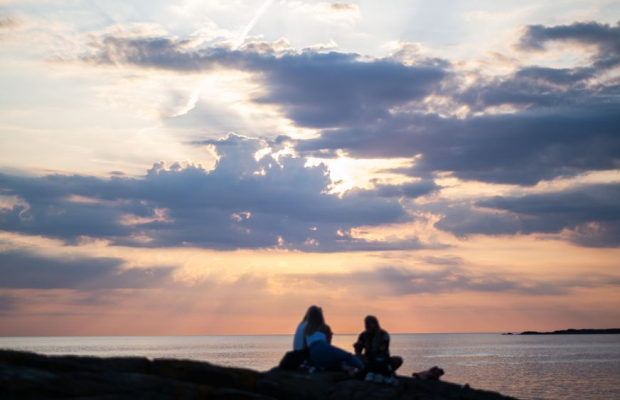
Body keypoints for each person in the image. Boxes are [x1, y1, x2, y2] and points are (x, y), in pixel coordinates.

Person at [304, 306, 362, 373]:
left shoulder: (306, 329)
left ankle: (351, 369)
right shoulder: (323, 327)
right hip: (322, 346)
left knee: (339, 360)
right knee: (348, 356)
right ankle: (362, 367)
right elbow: (328, 343)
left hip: (313, 352)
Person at [353, 315, 402, 383]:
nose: (367, 326)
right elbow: (358, 352)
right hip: (369, 360)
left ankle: (374, 371)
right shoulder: (363, 335)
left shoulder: (383, 334)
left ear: (375, 324)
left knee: (398, 360)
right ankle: (377, 372)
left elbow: (383, 351)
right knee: (356, 357)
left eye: (370, 323)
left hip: (382, 360)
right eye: (366, 324)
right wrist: (357, 347)